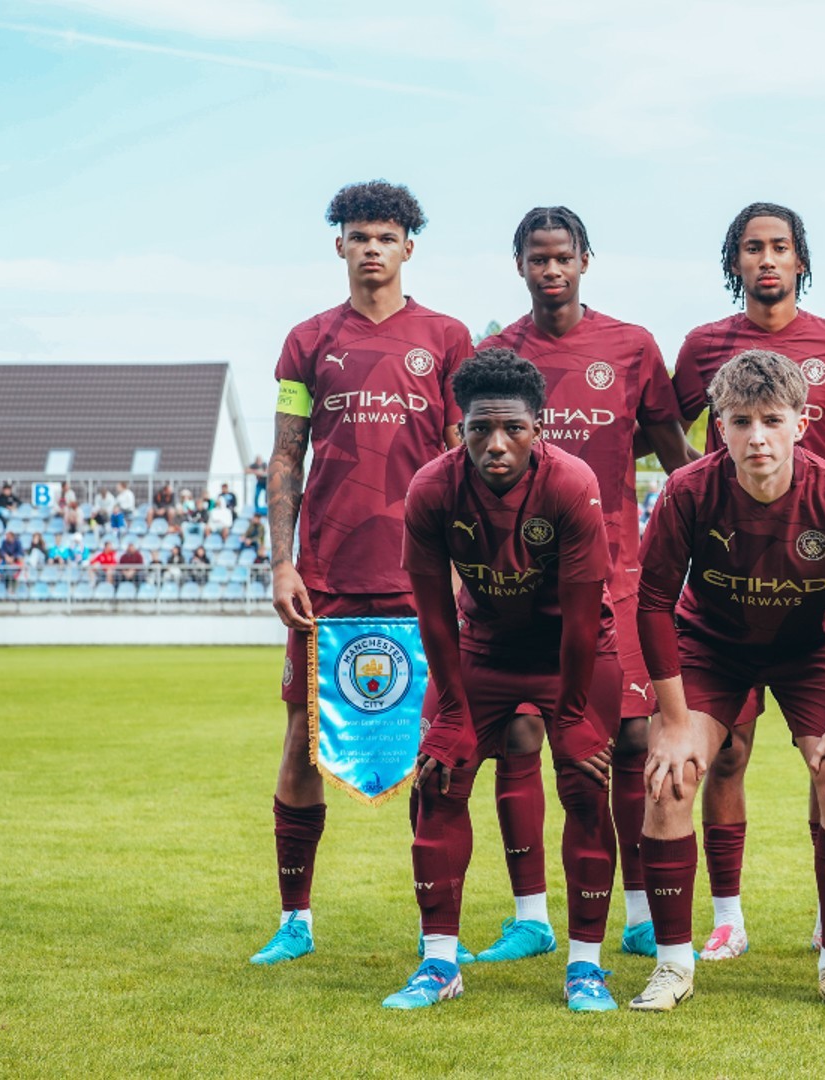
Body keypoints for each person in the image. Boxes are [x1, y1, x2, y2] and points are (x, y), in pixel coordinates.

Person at [254, 180, 481, 967]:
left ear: (409, 246)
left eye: (387, 235)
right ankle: (295, 919)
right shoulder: (307, 340)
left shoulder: (448, 339)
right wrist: (282, 561)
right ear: (340, 246)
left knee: (440, 752)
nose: (373, 247)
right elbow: (287, 457)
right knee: (299, 740)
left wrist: (467, 568)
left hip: (425, 583)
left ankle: (437, 933)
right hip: (326, 578)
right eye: (359, 236)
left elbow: (468, 465)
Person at [630, 350, 825, 1013]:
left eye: (771, 420)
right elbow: (653, 604)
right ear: (719, 425)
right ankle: (671, 965)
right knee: (670, 777)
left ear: (801, 422)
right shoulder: (688, 492)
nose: (756, 437)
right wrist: (672, 721)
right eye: (741, 421)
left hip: (811, 649)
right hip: (714, 648)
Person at [480, 206, 697, 965]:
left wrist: (711, 521)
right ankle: (532, 916)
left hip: (617, 574)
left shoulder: (631, 348)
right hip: (517, 583)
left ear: (585, 260)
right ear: (520, 266)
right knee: (520, 735)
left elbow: (677, 451)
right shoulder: (496, 355)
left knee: (634, 738)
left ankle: (639, 912)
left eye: (563, 257)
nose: (551, 270)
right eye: (537, 258)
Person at [386, 349, 620, 1012]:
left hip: (571, 653)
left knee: (584, 782)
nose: (496, 444)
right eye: (479, 429)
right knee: (438, 779)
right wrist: (453, 712)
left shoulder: (571, 485)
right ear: (458, 429)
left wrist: (573, 714)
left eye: (512, 429)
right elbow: (433, 614)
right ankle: (438, 964)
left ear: (538, 428)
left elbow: (580, 620)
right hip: (483, 647)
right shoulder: (432, 489)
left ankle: (584, 966)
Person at [670, 202, 825, 959]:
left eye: (781, 246)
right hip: (726, 579)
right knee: (725, 754)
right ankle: (727, 915)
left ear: (801, 257)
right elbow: (665, 422)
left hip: (811, 573)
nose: (768, 260)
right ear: (735, 262)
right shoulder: (702, 346)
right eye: (752, 248)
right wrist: (699, 485)